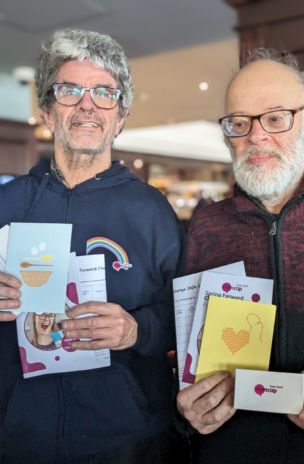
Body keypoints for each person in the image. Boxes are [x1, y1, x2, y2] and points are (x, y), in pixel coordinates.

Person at [0, 29, 185, 464]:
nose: (87, 104)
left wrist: (136, 330)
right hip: (17, 441)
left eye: (104, 93)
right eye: (70, 91)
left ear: (120, 117)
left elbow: (185, 317)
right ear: (48, 110)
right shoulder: (6, 203)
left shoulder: (153, 212)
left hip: (127, 444)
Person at [176, 48, 304, 464]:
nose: (256, 136)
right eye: (239, 122)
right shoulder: (206, 227)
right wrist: (185, 408)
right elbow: (180, 352)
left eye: (275, 117)